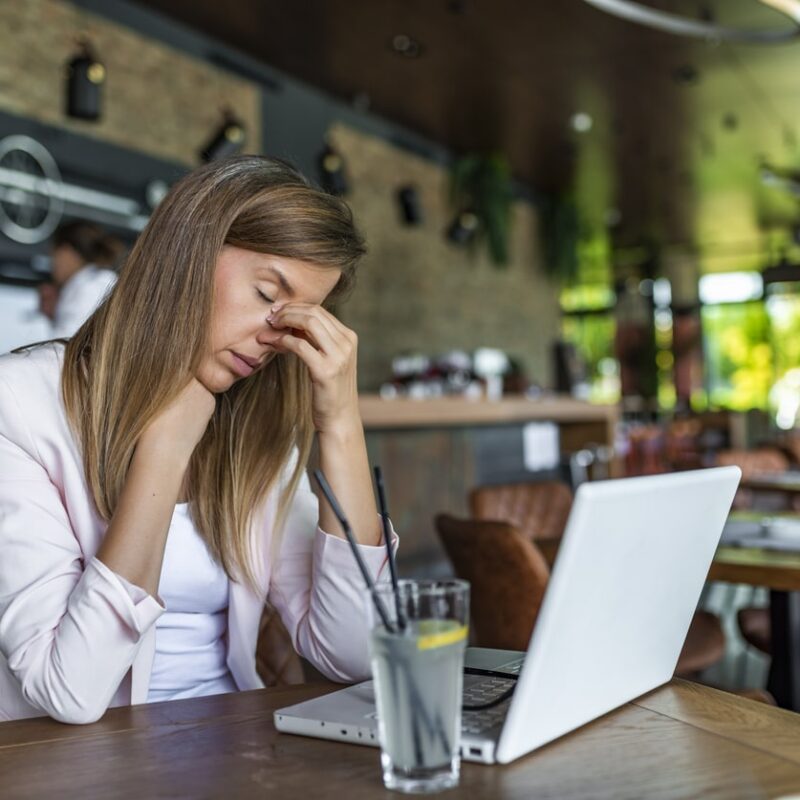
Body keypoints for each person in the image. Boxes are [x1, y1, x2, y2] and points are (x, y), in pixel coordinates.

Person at [0, 156, 396, 724]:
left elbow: (354, 653)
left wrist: (340, 424)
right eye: (266, 294)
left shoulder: (251, 435)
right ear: (187, 252)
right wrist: (163, 450)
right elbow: (71, 692)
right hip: (78, 769)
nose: (273, 339)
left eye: (299, 318)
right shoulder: (19, 404)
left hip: (236, 750)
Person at [39, 221, 121, 338]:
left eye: (53, 255)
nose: (52, 265)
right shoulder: (99, 281)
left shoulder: (88, 287)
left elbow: (65, 346)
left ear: (65, 251)